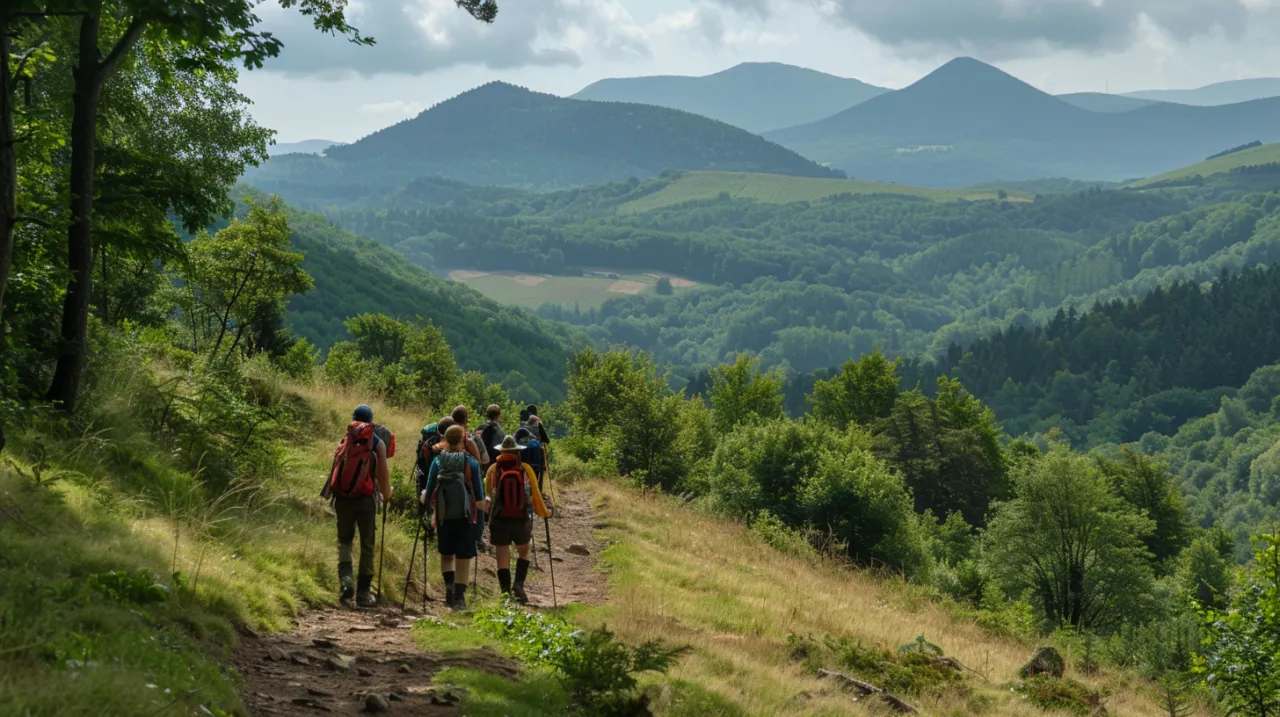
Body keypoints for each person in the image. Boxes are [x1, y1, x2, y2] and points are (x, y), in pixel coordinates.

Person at [329, 405, 392, 609]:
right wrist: (387, 494)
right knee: (367, 545)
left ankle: (346, 585)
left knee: (344, 542)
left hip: (343, 499)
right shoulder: (376, 442)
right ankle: (364, 593)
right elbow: (382, 474)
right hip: (366, 500)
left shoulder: (345, 439)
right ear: (371, 420)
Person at [422, 424, 485, 610]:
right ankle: (459, 597)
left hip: (444, 515)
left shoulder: (438, 461)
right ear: (463, 440)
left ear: (445, 440)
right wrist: (481, 515)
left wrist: (426, 508)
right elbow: (479, 497)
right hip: (465, 516)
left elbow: (430, 488)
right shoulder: (470, 463)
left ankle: (449, 589)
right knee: (463, 557)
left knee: (447, 554)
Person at [485, 435, 552, 603]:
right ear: (517, 451)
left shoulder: (493, 470)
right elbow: (535, 495)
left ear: (501, 451)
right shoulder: (525, 469)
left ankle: (505, 592)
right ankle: (518, 585)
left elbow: (488, 495)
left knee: (502, 553)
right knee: (524, 550)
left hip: (499, 518)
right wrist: (544, 512)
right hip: (521, 518)